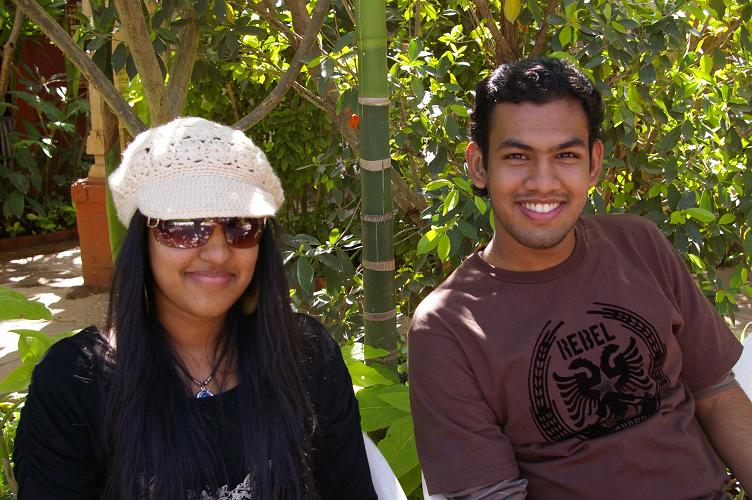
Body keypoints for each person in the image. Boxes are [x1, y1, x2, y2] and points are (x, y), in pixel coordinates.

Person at [408, 58, 752, 499]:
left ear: (593, 163)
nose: (543, 182)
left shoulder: (639, 245)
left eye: (566, 155)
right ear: (479, 165)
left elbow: (716, 393)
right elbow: (490, 493)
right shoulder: (446, 327)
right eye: (517, 156)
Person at [14, 117, 377, 500]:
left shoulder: (306, 358)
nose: (218, 252)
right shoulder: (74, 385)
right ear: (142, 237)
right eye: (185, 225)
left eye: (240, 225)